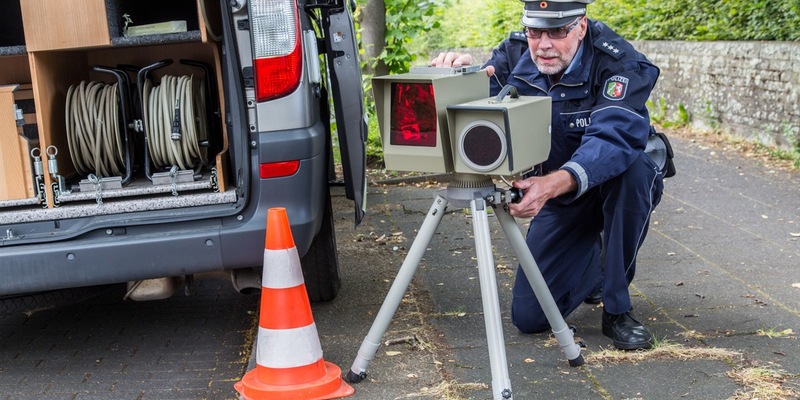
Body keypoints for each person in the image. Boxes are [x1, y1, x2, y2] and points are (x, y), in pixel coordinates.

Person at [432, 0, 665, 350]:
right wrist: (455, 77)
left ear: (581, 27)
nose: (543, 44)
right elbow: (481, 108)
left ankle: (617, 308)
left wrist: (550, 185)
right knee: (530, 318)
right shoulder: (514, 54)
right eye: (535, 31)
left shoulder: (618, 62)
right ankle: (591, 262)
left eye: (557, 32)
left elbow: (613, 138)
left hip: (611, 182)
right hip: (560, 195)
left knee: (635, 170)